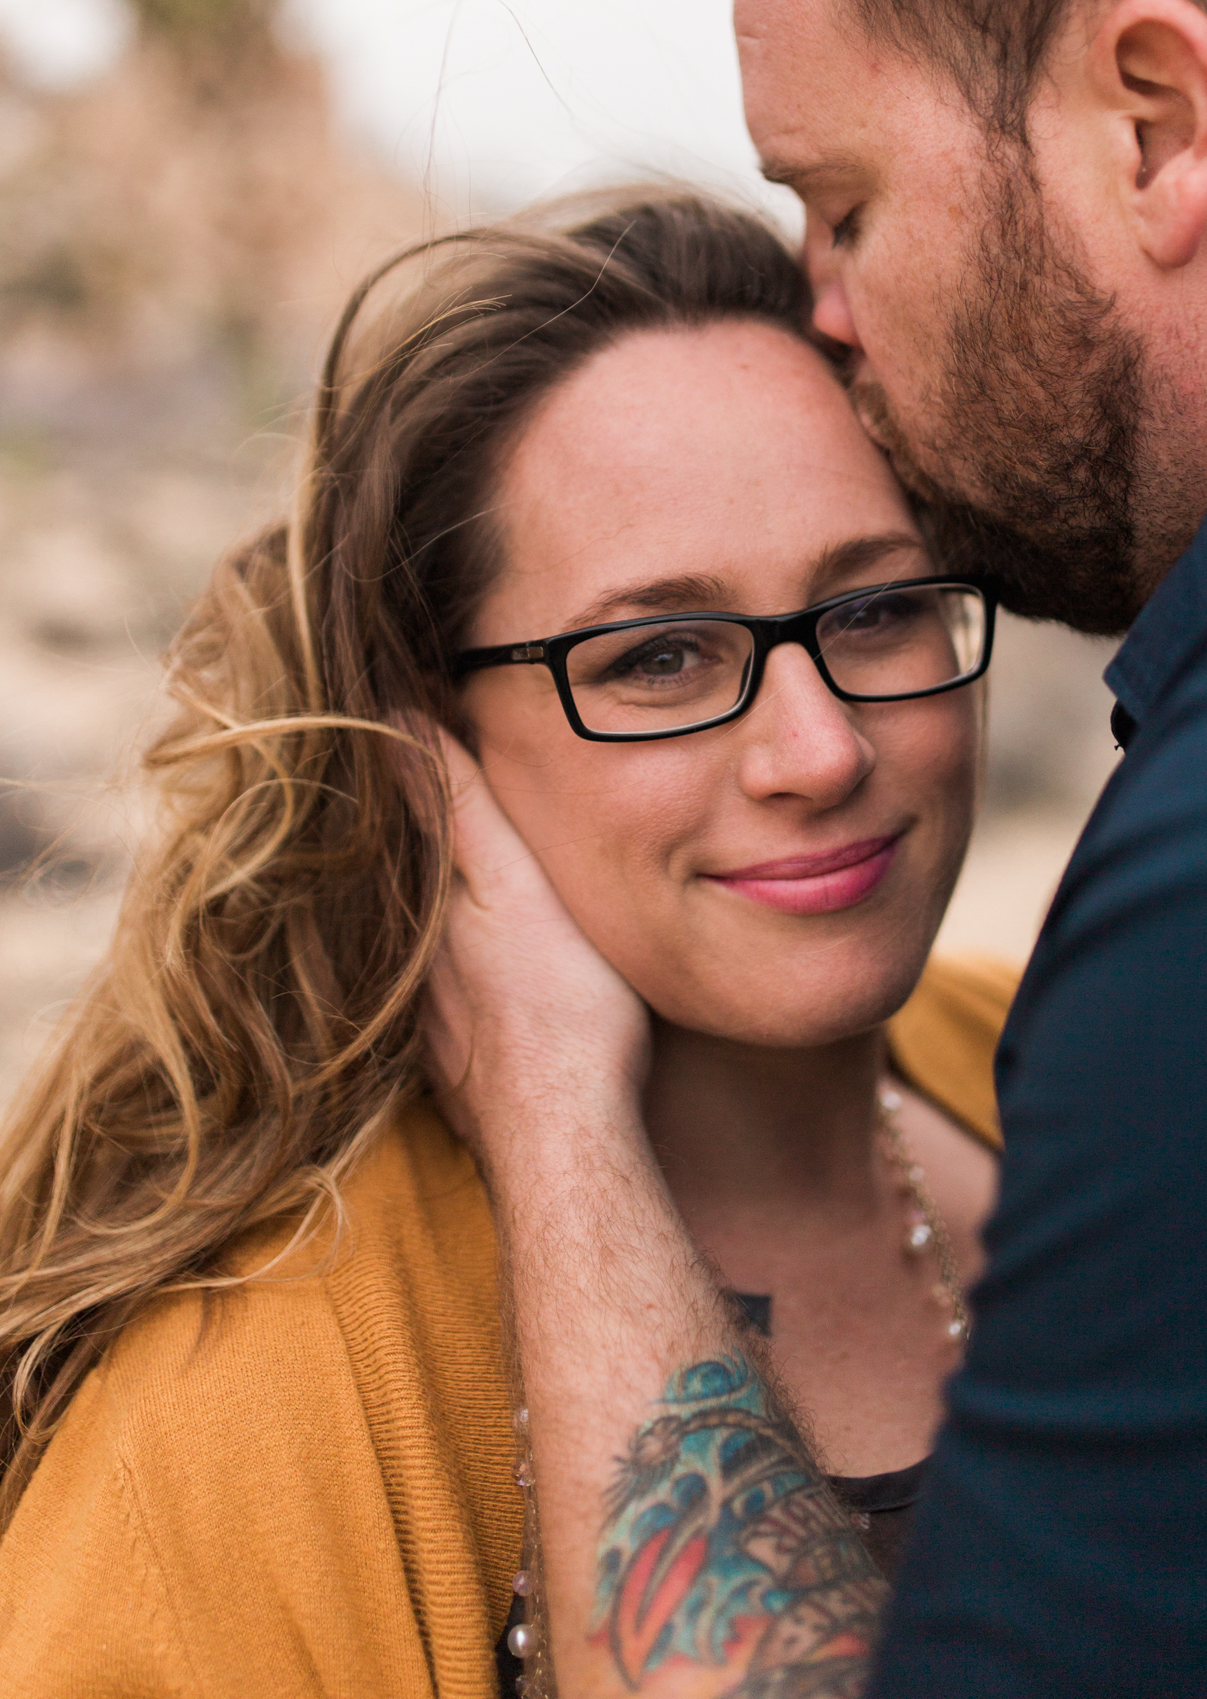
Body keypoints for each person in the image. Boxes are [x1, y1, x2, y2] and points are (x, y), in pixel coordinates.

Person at [431, 0, 1207, 1694]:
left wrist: (562, 1137)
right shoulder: (277, 1361)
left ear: (1156, 124)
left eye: (842, 206)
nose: (820, 313)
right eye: (656, 654)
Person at [0, 187, 1017, 1694]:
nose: (817, 749)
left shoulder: (1065, 1062)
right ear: (431, 744)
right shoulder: (242, 1421)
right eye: (659, 656)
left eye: (872, 608)